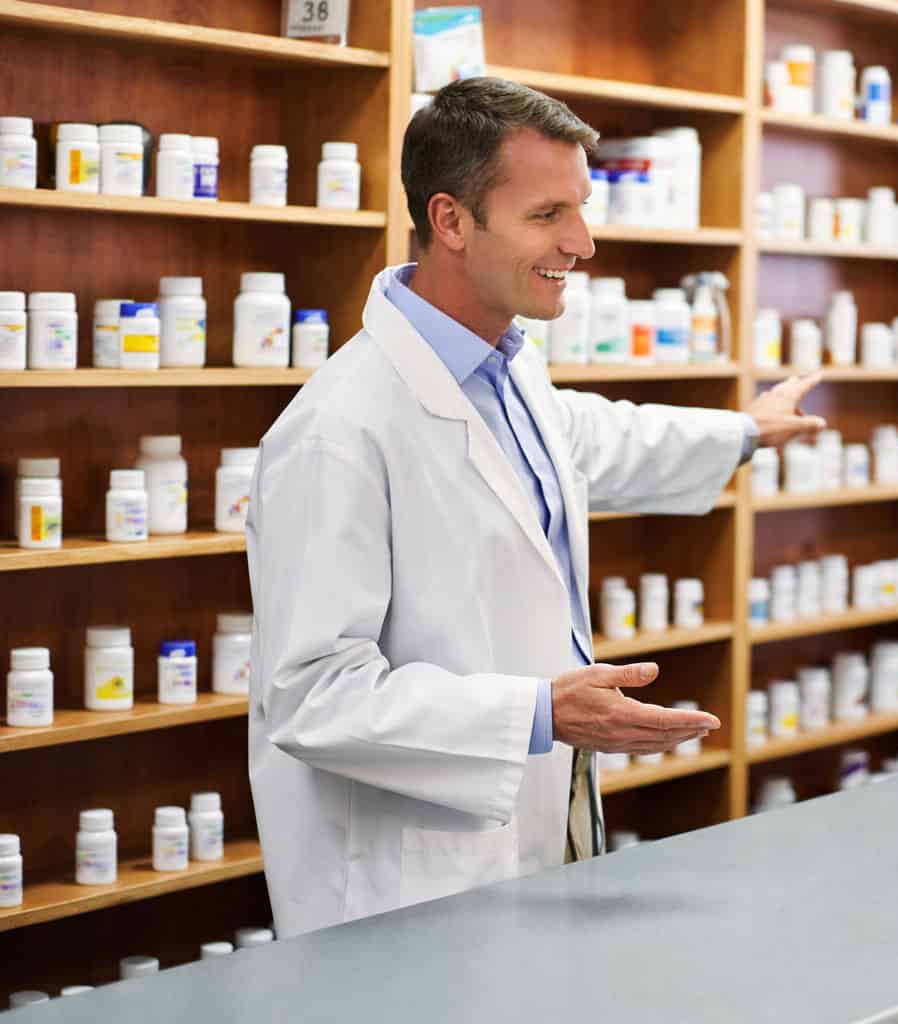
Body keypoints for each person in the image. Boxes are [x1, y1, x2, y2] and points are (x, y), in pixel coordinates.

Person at [247, 77, 826, 938]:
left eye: (581, 209)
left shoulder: (507, 367)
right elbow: (313, 696)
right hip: (406, 883)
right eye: (549, 214)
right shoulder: (337, 431)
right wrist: (541, 714)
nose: (583, 243)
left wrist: (744, 429)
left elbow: (594, 440)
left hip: (528, 823)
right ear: (450, 221)